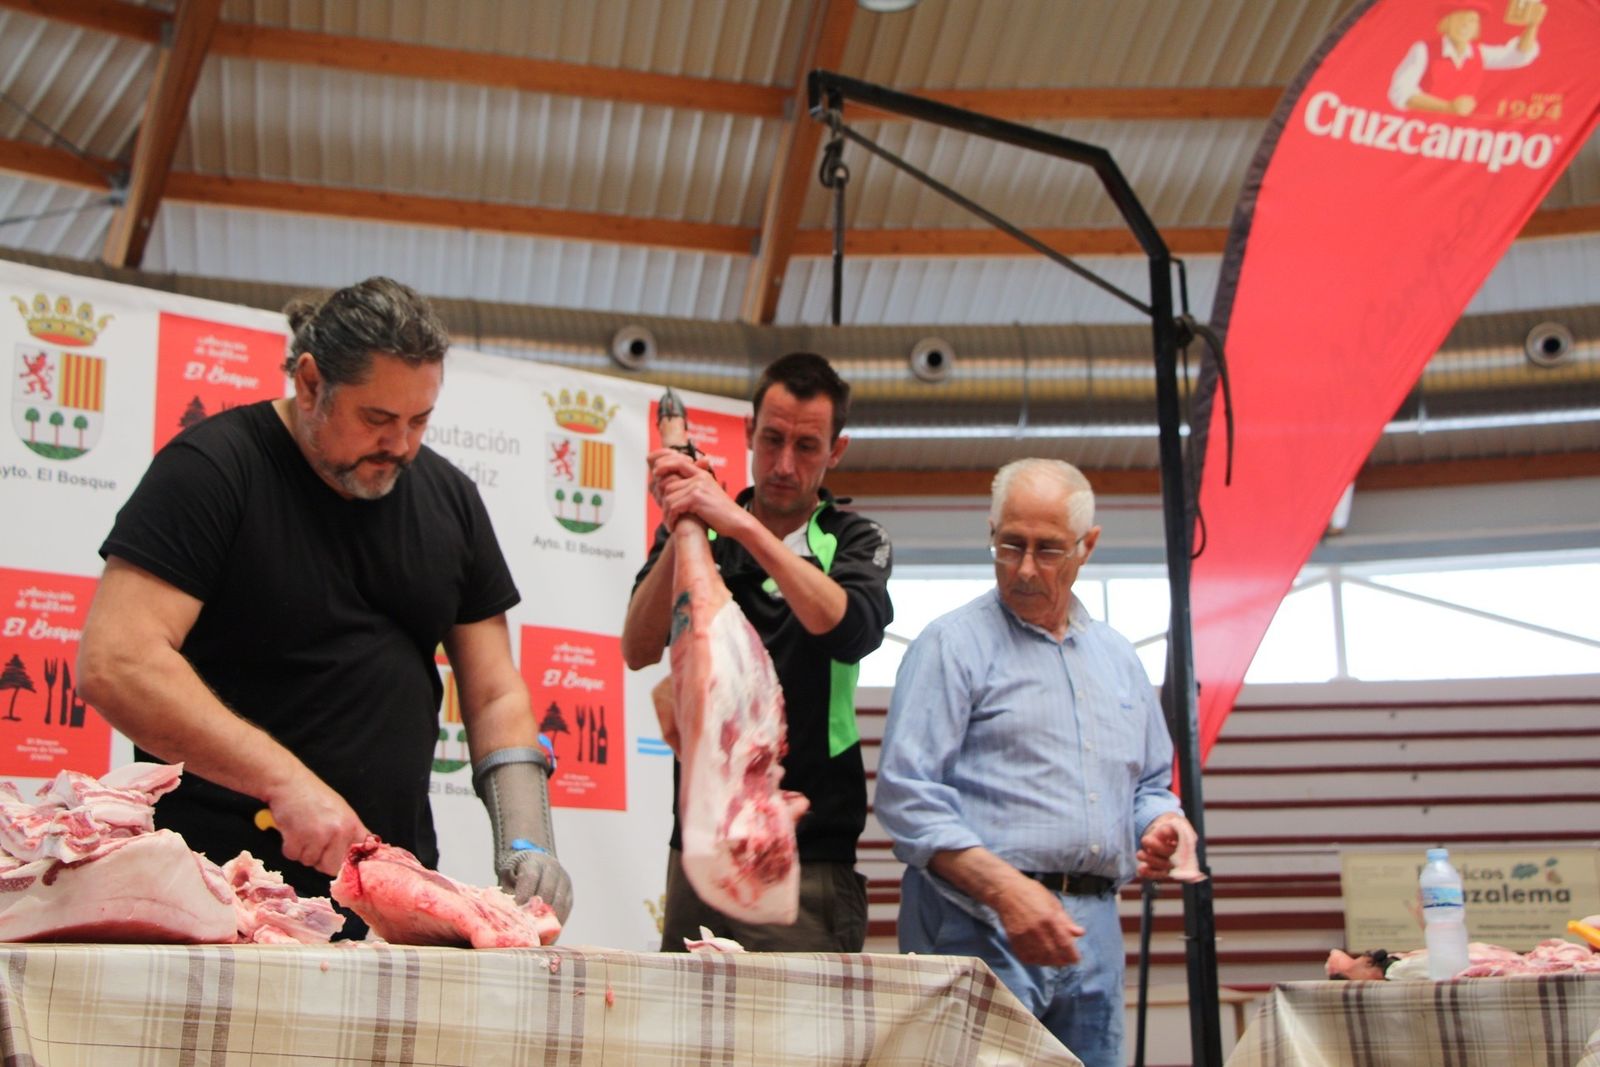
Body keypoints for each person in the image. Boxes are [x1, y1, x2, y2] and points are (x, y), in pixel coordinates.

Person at [77, 277, 572, 934]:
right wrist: (286, 781)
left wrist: (527, 839)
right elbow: (117, 660)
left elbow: (493, 692)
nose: (401, 446)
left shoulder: (450, 498)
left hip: (392, 894)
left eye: (419, 420)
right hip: (217, 892)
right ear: (310, 382)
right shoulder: (213, 469)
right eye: (376, 419)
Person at [874, 458, 1197, 1067]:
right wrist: (1005, 891)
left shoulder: (1118, 659)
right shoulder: (951, 645)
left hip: (1094, 935)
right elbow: (906, 796)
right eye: (1008, 544)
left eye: (1047, 550)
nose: (1023, 569)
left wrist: (1160, 827)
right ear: (990, 530)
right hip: (974, 927)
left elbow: (1151, 783)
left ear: (1087, 546)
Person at [622, 351, 893, 952]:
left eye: (806, 447)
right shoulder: (703, 528)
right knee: (685, 1042)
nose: (783, 464)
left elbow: (849, 628)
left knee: (802, 1046)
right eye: (771, 440)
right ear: (748, 432)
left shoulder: (854, 538)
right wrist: (685, 521)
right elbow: (637, 647)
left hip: (810, 856)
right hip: (700, 846)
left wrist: (739, 526)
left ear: (835, 451)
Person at [1388, 1, 1544, 116]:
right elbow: (1401, 92)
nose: (1464, 25)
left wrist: (1532, 27)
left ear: (1477, 28)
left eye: (1471, 20)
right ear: (1447, 23)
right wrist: (1447, 107)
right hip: (1422, 129)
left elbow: (1519, 56)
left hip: (1458, 134)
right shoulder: (1424, 50)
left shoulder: (1479, 54)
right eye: (1459, 18)